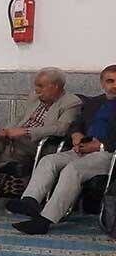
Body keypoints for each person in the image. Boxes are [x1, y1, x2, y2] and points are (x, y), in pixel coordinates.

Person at [7, 65, 116, 234]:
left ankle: (45, 220)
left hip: (107, 154)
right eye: (110, 81)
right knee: (48, 160)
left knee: (72, 169)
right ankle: (30, 201)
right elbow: (75, 125)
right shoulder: (94, 102)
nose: (114, 85)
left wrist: (100, 146)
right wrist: (76, 135)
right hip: (81, 149)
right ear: (102, 83)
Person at [0, 68, 82, 215]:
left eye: (41, 86)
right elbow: (19, 118)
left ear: (55, 86)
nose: (37, 90)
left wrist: (26, 132)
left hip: (41, 144)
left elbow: (61, 128)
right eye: (36, 86)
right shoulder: (34, 98)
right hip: (17, 141)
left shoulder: (71, 102)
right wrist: (6, 129)